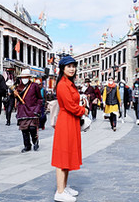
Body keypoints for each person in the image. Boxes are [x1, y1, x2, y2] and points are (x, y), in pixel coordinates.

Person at [51, 56, 87, 202]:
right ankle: (59, 192)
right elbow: (70, 106)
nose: (72, 69)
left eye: (73, 66)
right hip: (66, 121)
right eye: (69, 66)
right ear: (62, 68)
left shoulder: (69, 83)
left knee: (68, 154)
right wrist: (83, 110)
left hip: (71, 121)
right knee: (62, 157)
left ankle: (64, 187)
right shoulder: (62, 85)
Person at [14, 69, 44, 153]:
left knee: (32, 128)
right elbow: (17, 99)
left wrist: (37, 109)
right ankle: (27, 145)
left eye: (26, 77)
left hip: (32, 110)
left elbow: (39, 98)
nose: (24, 79)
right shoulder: (18, 87)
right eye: (23, 77)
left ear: (29, 77)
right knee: (24, 130)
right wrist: (15, 95)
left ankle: (35, 142)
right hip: (22, 111)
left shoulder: (34, 86)